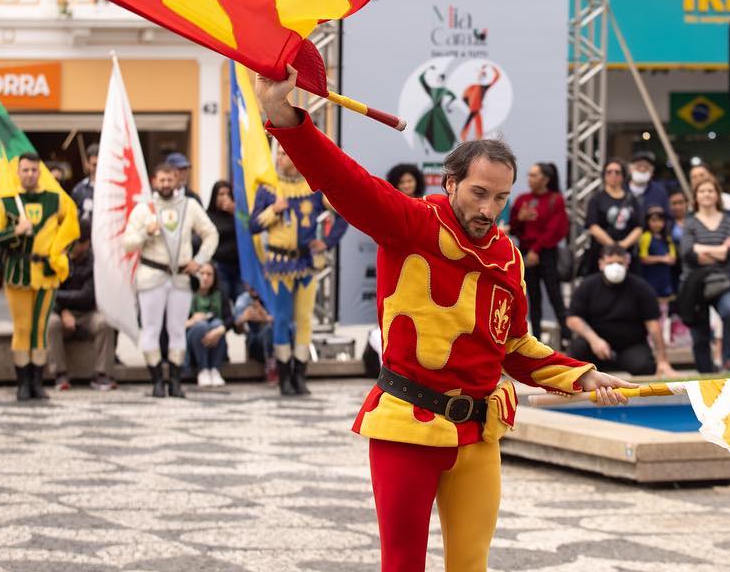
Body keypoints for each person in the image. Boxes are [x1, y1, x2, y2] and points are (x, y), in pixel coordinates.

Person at [253, 66, 628, 572]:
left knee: (471, 565)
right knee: (403, 565)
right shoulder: (409, 223)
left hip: (479, 435)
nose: (489, 208)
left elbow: (515, 347)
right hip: (408, 426)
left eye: (500, 198)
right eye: (478, 193)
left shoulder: (510, 258)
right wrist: (282, 115)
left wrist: (581, 373)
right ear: (450, 182)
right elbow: (342, 179)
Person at [250, 143, 350, 397]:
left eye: (289, 153)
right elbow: (252, 226)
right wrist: (273, 210)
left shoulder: (313, 188)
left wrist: (326, 242)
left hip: (306, 263)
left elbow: (342, 213)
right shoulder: (268, 189)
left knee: (305, 320)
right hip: (279, 265)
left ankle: (300, 374)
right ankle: (284, 376)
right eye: (281, 154)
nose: (284, 158)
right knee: (282, 319)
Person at [0, 152, 77, 402]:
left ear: (40, 172)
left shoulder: (55, 200)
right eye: (25, 170)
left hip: (46, 272)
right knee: (23, 328)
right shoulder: (6, 202)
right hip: (19, 272)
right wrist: (15, 231)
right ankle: (23, 383)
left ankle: (37, 381)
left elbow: (71, 228)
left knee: (40, 329)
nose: (29, 174)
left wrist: (60, 253)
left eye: (34, 170)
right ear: (18, 172)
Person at [126, 161, 218, 399]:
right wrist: (146, 231)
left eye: (170, 179)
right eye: (161, 180)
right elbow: (126, 242)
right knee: (151, 329)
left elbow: (211, 233)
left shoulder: (190, 206)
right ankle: (157, 381)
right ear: (154, 181)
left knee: (177, 329)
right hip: (151, 275)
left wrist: (199, 260)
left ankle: (175, 382)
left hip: (181, 276)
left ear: (177, 180)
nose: (166, 184)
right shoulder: (143, 208)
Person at [565, 246, 675, 377]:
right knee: (578, 350)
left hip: (630, 345)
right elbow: (572, 319)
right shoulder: (587, 285)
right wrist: (595, 340)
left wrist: (662, 361)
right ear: (601, 264)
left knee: (645, 366)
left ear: (627, 263)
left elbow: (653, 325)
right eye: (610, 263)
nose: (615, 267)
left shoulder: (640, 287)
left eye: (620, 263)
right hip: (595, 345)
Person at [678, 179, 730, 373]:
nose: (706, 194)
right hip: (695, 284)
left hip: (721, 281)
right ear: (696, 197)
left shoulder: (728, 221)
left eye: (710, 191)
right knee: (700, 333)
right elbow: (689, 254)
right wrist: (720, 249)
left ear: (717, 195)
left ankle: (729, 359)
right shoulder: (690, 223)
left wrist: (703, 249)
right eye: (702, 191)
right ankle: (705, 370)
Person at [45, 233, 118, 391]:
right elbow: (49, 292)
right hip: (61, 312)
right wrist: (63, 311)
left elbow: (87, 296)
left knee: (104, 324)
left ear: (85, 245)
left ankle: (102, 374)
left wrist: (61, 299)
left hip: (86, 312)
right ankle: (60, 373)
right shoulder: (58, 258)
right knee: (51, 323)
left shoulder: (95, 262)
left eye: (76, 243)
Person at [509, 162, 569, 343]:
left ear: (545, 179)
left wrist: (537, 250)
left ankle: (567, 338)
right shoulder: (522, 199)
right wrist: (520, 219)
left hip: (546, 253)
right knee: (532, 298)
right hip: (527, 254)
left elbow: (555, 229)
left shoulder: (555, 199)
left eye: (534, 175)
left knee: (555, 296)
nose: (530, 178)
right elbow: (514, 228)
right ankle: (535, 341)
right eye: (529, 175)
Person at [583, 159, 641, 276]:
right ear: (604, 175)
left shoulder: (632, 199)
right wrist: (612, 246)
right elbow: (593, 226)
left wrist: (623, 245)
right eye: (609, 172)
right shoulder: (596, 199)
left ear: (623, 176)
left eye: (617, 172)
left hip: (626, 252)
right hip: (602, 252)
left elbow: (639, 227)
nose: (613, 175)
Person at [186, 261, 233, 387]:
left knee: (217, 324)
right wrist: (192, 321)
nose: (205, 277)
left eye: (209, 274)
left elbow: (229, 320)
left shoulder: (220, 294)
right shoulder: (186, 294)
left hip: (215, 338)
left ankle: (215, 369)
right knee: (201, 326)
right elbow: (174, 325)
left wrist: (218, 331)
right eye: (201, 274)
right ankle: (203, 369)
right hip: (192, 339)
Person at [206, 181, 241, 304]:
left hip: (238, 266)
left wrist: (235, 211)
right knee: (223, 300)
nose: (225, 197)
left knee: (240, 300)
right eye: (221, 194)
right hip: (220, 266)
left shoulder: (237, 213)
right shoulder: (208, 216)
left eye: (228, 194)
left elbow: (249, 225)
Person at [232, 283, 274, 363]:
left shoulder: (270, 296)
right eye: (250, 284)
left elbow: (280, 320)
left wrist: (264, 318)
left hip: (272, 340)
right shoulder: (242, 300)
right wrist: (243, 318)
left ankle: (271, 364)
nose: (254, 287)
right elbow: (237, 330)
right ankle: (271, 365)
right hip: (253, 341)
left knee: (270, 329)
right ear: (245, 285)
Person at [70, 143, 99, 239]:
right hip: (85, 245)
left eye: (101, 165)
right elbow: (71, 219)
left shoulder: (113, 191)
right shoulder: (79, 190)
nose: (98, 169)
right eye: (94, 165)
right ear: (87, 164)